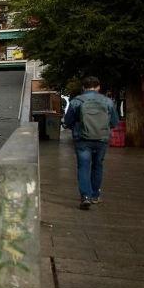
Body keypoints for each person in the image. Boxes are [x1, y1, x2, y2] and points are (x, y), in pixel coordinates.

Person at [62, 76, 119, 210]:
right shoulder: (107, 101)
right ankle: (95, 196)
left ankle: (85, 196)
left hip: (82, 140)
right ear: (98, 87)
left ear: (83, 87)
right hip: (102, 139)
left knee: (83, 166)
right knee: (98, 166)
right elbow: (114, 122)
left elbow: (68, 121)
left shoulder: (77, 101)